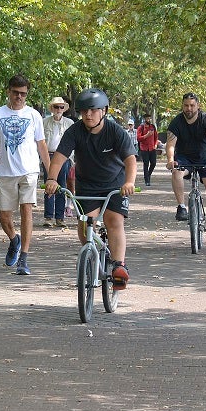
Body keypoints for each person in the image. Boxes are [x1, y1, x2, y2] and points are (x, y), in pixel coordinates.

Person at [45, 89, 138, 287]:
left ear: (103, 111)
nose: (88, 114)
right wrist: (52, 178)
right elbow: (59, 158)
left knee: (114, 221)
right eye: (84, 110)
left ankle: (119, 266)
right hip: (87, 185)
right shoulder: (75, 131)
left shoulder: (115, 131)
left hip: (115, 185)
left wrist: (129, 182)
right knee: (85, 222)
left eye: (93, 110)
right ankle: (90, 252)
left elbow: (130, 160)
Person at [0, 75, 51, 275]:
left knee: (26, 210)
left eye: (23, 94)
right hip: (5, 172)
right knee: (4, 216)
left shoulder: (33, 115)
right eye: (16, 93)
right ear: (8, 92)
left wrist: (50, 172)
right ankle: (14, 239)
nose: (19, 97)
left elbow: (41, 144)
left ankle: (24, 258)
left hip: (29, 171)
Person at [165, 92, 206, 235]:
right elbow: (170, 144)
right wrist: (170, 160)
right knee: (176, 172)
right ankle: (181, 207)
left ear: (198, 105)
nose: (189, 108)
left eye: (192, 105)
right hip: (185, 158)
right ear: (182, 106)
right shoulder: (176, 122)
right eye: (186, 105)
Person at [41, 97, 75, 228]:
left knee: (61, 187)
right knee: (49, 186)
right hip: (48, 156)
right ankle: (48, 217)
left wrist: (72, 159)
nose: (59, 110)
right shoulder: (44, 122)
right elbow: (40, 141)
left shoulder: (69, 123)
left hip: (64, 158)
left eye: (61, 107)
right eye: (56, 107)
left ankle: (60, 218)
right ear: (52, 108)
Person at [135, 114, 159, 190]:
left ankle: (148, 175)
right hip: (144, 149)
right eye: (147, 118)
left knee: (153, 163)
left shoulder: (153, 127)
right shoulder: (141, 128)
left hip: (152, 148)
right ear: (144, 119)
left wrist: (155, 144)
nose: (148, 120)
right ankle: (147, 180)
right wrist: (146, 135)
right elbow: (138, 138)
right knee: (146, 164)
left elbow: (156, 137)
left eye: (149, 118)